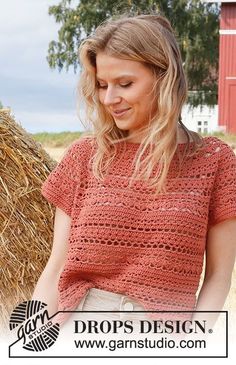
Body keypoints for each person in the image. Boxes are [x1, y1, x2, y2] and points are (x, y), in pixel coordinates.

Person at [32, 13, 236, 333]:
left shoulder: (214, 161)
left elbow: (219, 276)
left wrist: (192, 345)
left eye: (125, 84)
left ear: (163, 77)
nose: (110, 99)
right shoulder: (84, 157)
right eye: (102, 85)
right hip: (78, 331)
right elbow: (55, 267)